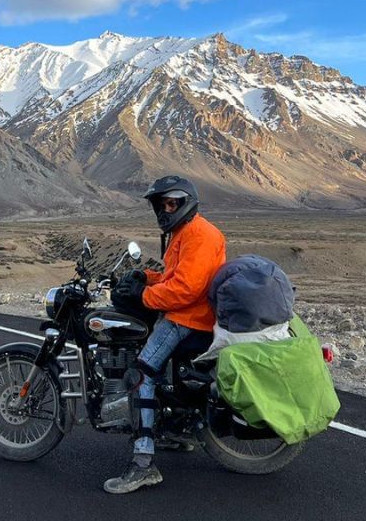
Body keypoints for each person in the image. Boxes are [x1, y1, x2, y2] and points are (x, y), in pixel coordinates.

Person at [104, 175, 226, 494]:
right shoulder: (183, 232)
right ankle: (172, 430)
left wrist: (142, 296)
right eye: (162, 205)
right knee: (154, 368)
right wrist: (145, 275)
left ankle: (143, 465)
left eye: (171, 203)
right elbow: (175, 276)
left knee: (142, 375)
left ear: (186, 203)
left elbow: (185, 290)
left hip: (187, 319)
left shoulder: (199, 235)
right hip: (184, 313)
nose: (165, 210)